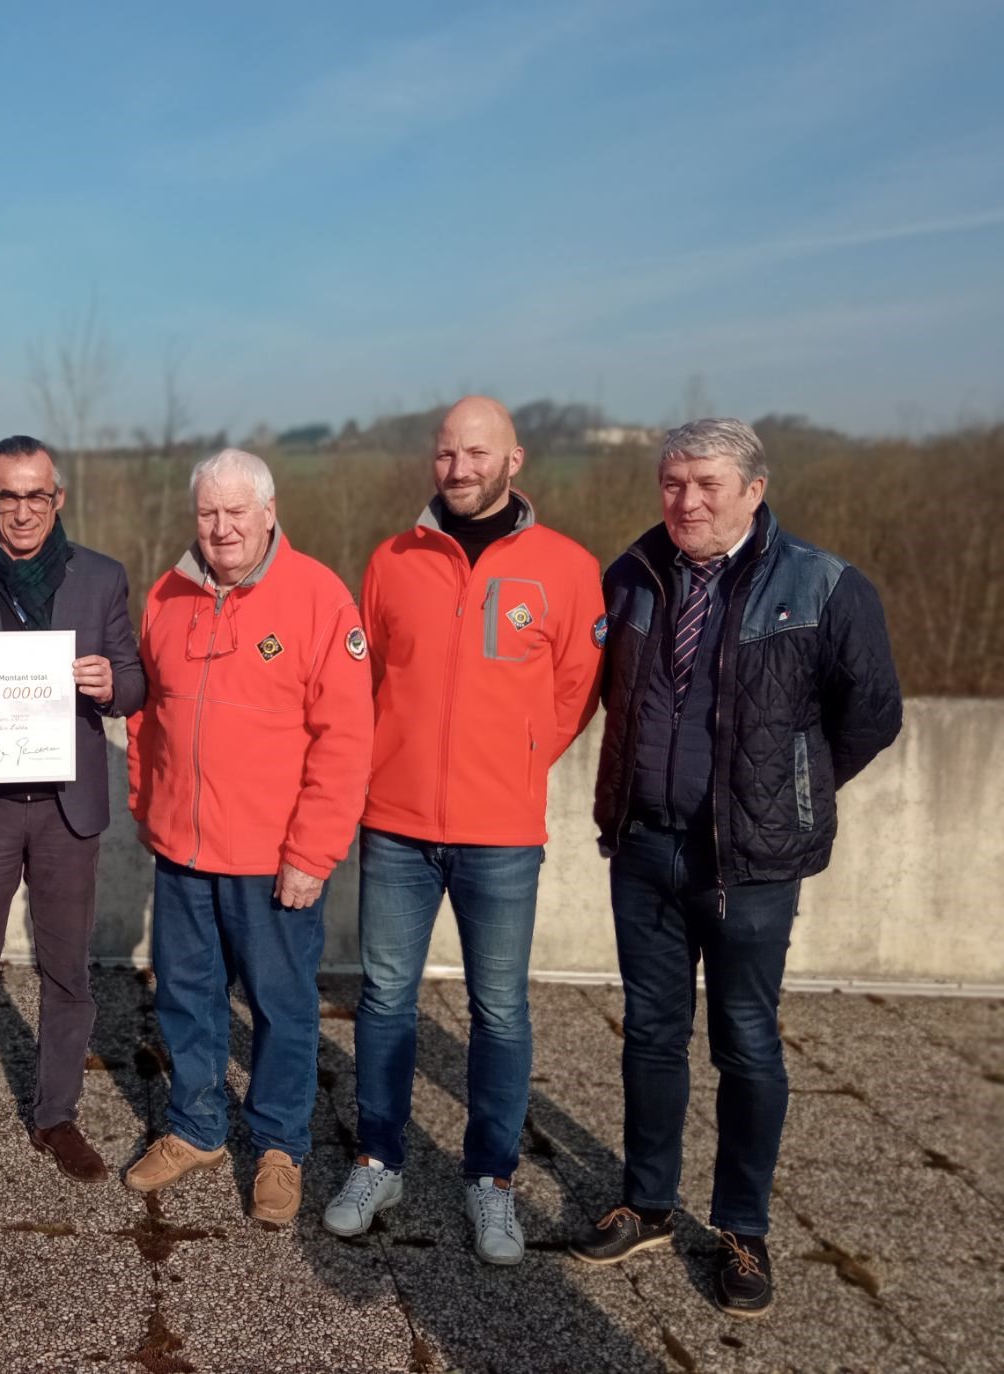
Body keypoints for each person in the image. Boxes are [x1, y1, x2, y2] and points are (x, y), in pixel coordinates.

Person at [570, 418, 902, 1317]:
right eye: (674, 484)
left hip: (748, 865)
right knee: (649, 1032)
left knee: (747, 1042)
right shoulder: (633, 575)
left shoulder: (822, 585)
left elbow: (870, 711)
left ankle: (743, 1231)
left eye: (708, 484)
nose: (688, 502)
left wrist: (787, 789)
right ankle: (645, 1201)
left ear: (755, 489)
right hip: (644, 846)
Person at [321, 397, 605, 1263]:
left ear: (514, 459)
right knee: (384, 1000)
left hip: (501, 832)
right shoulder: (392, 560)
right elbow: (365, 685)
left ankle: (491, 1180)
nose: (459, 468)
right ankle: (379, 1160)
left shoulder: (565, 567)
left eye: (477, 452)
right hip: (397, 827)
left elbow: (573, 693)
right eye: (446, 453)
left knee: (501, 1011)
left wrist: (515, 763)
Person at [123, 447, 372, 1225]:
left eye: (237, 512)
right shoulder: (167, 593)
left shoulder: (319, 598)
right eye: (208, 513)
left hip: (273, 861)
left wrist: (312, 852)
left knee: (282, 1008)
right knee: (188, 1002)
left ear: (268, 512)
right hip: (183, 851)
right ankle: (197, 1128)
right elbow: (145, 715)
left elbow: (346, 738)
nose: (222, 527)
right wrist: (148, 805)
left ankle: (278, 1146)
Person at [0, 436, 145, 1192]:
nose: (22, 511)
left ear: (58, 499)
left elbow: (138, 683)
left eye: (36, 495)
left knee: (67, 971)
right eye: (8, 496)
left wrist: (112, 684)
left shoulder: (103, 577)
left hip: (66, 809)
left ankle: (55, 1115)